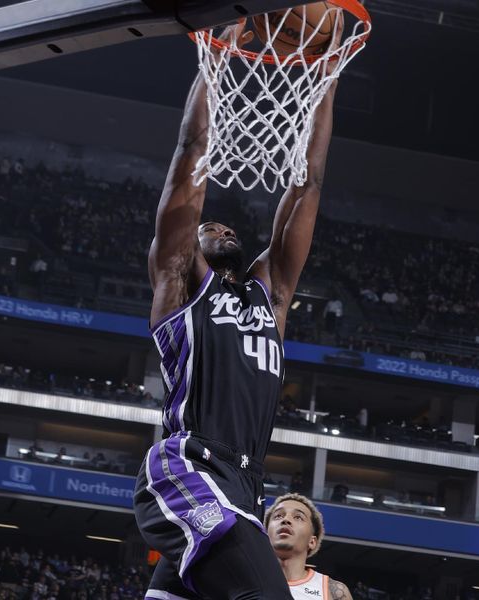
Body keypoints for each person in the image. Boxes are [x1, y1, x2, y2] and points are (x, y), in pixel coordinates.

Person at [133, 17, 344, 600]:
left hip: (244, 488)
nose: (219, 224)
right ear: (186, 248)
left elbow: (309, 182)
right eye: (207, 226)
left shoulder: (269, 297)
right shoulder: (180, 287)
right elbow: (190, 152)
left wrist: (324, 83)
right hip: (191, 471)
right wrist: (215, 59)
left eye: (225, 224)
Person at [265, 493, 352, 599]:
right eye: (278, 516)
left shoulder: (335, 592)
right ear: (265, 535)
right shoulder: (243, 580)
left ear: (312, 541)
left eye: (298, 517)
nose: (286, 520)